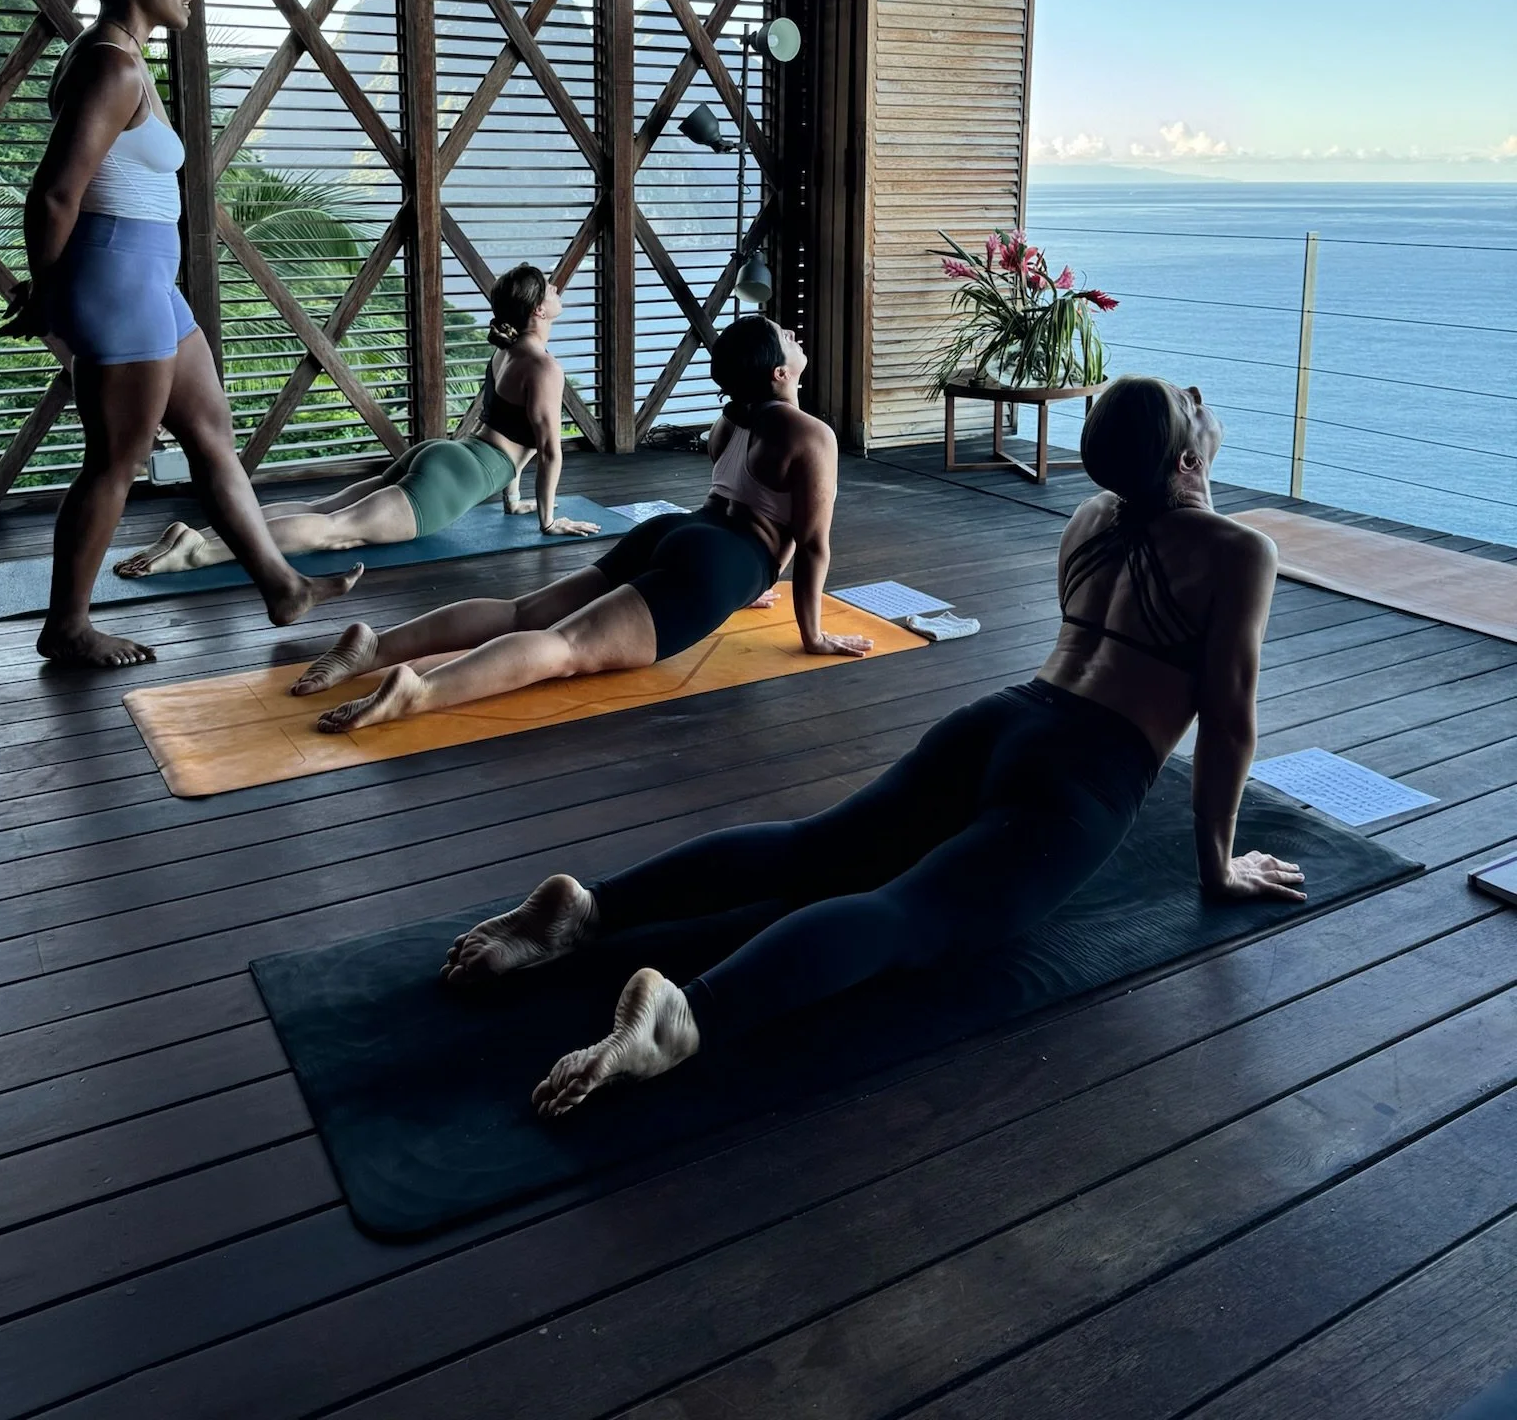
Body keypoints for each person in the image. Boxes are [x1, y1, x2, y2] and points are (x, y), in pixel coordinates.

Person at [439, 375, 1306, 1120]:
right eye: (1192, 410)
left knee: (816, 846)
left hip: (1007, 716)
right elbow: (1227, 719)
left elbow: (1130, 577)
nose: (1202, 402)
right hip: (1088, 769)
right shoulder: (1238, 551)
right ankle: (685, 1014)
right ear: (1188, 463)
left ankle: (593, 909)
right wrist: (1219, 867)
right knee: (911, 915)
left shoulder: (1089, 517)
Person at [0, 0, 360, 668]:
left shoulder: (119, 54)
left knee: (210, 432)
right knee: (115, 459)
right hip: (115, 276)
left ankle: (281, 585)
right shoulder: (110, 63)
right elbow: (56, 193)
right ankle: (66, 625)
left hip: (147, 279)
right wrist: (47, 294)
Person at [287, 313, 873, 732]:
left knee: (523, 612)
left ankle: (374, 648)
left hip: (676, 533)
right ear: (777, 372)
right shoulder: (811, 434)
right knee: (565, 647)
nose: (795, 337)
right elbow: (812, 545)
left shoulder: (729, 421)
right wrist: (812, 636)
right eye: (785, 338)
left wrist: (745, 585)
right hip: (719, 560)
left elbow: (741, 497)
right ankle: (419, 692)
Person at [113, 262, 599, 577]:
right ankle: (200, 552)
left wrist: (512, 501)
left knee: (323, 505)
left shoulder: (508, 353)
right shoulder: (545, 367)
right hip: (465, 473)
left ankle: (198, 533)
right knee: (338, 530)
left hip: (445, 453)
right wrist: (548, 519)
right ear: (540, 309)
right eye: (553, 288)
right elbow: (547, 450)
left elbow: (503, 424)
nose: (559, 290)